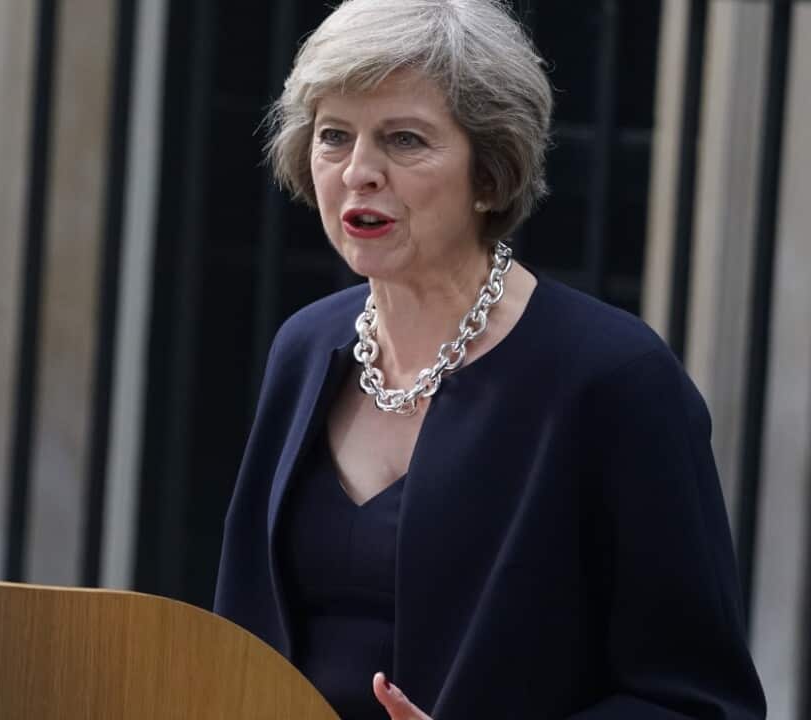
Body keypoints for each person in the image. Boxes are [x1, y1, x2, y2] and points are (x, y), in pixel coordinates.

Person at [211, 1, 767, 718]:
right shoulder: (304, 348)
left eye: (404, 140)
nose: (359, 172)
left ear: (491, 173)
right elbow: (240, 636)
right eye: (334, 136)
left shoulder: (614, 378)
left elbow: (699, 703)